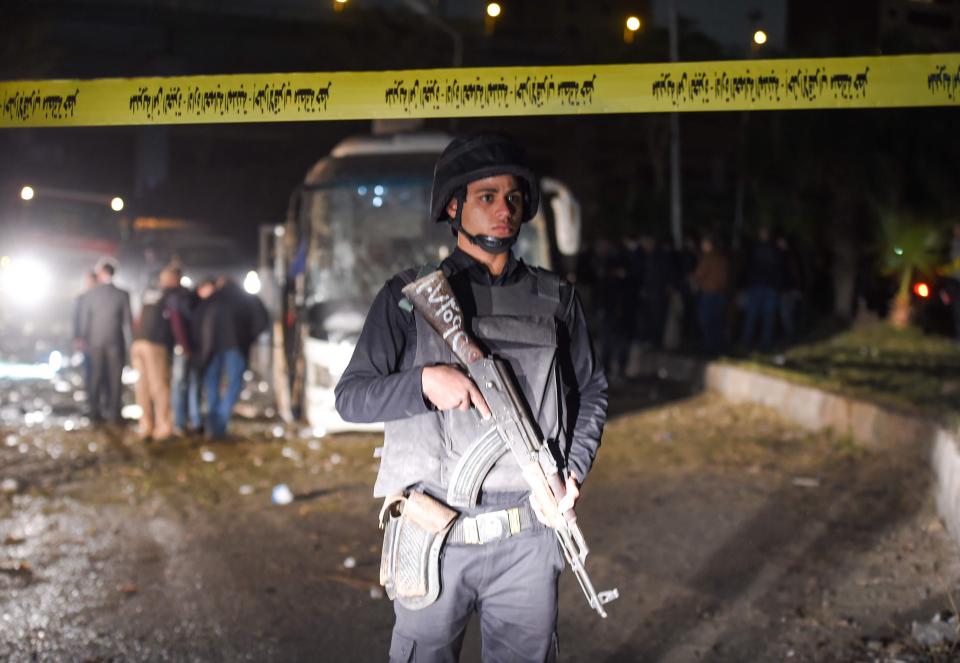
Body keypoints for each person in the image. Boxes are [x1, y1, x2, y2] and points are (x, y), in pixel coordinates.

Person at [335, 132, 608, 662]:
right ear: (455, 206)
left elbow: (592, 390)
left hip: (529, 535)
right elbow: (352, 398)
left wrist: (572, 472)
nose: (503, 210)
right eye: (486, 197)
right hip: (436, 534)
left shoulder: (556, 299)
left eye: (512, 198)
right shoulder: (407, 298)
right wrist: (423, 384)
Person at [193, 276, 269, 439]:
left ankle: (213, 426)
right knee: (234, 385)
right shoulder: (246, 298)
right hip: (237, 347)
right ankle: (219, 423)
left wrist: (200, 346)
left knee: (212, 385)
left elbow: (198, 321)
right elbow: (262, 321)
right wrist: (249, 337)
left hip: (212, 348)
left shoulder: (212, 299)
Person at [131, 266, 190, 442]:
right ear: (173, 278)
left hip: (139, 342)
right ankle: (163, 427)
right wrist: (184, 345)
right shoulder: (171, 295)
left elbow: (137, 319)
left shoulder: (148, 293)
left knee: (143, 386)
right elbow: (176, 321)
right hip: (156, 344)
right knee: (160, 386)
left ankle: (145, 426)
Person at [79, 258, 132, 424]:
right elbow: (127, 322)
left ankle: (95, 413)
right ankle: (115, 413)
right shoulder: (123, 294)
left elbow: (84, 320)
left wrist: (83, 338)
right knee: (116, 379)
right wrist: (131, 344)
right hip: (116, 342)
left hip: (95, 342)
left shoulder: (90, 294)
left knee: (95, 377)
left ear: (102, 273)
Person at [690, 235, 731, 356]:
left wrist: (693, 279)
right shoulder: (723, 258)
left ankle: (709, 347)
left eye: (704, 244)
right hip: (721, 293)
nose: (702, 246)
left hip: (709, 293)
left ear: (708, 245)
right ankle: (720, 347)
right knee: (717, 321)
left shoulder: (708, 258)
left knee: (706, 320)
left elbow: (699, 274)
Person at [72, 270, 98, 397]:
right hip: (86, 340)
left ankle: (98, 401)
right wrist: (78, 337)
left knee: (99, 371)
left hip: (98, 339)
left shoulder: (101, 297)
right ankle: (91, 400)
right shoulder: (81, 298)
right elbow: (76, 318)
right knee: (88, 370)